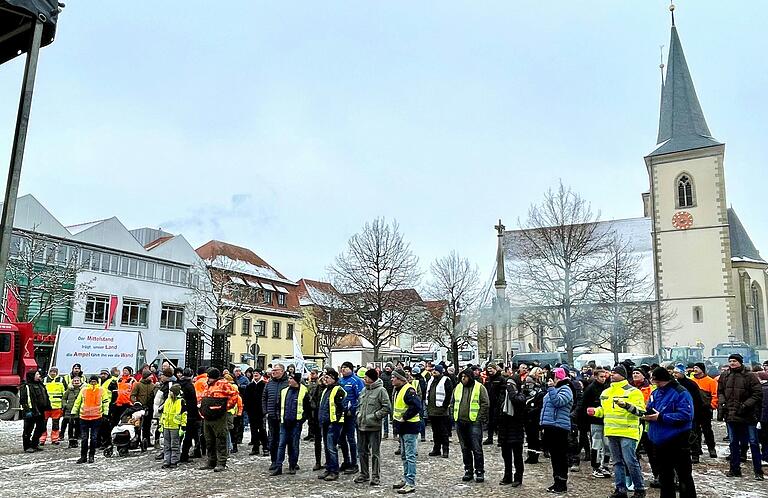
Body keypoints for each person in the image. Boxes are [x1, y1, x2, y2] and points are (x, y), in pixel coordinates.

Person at [587, 364, 646, 498]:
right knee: (617, 462)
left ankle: (639, 489)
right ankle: (620, 489)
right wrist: (596, 411)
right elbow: (605, 411)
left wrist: (626, 406)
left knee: (630, 461)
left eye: (615, 373)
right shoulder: (606, 392)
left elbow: (641, 412)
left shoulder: (633, 392)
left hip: (628, 432)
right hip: (611, 431)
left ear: (623, 375)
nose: (612, 375)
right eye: (611, 373)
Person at [642, 366, 696, 498]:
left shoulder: (680, 392)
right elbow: (650, 407)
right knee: (665, 475)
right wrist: (645, 414)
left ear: (664, 380)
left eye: (657, 382)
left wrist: (661, 417)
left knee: (683, 474)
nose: (655, 384)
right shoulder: (656, 393)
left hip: (677, 438)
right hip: (659, 439)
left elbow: (686, 416)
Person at [717, 353, 764, 479]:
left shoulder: (750, 376)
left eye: (735, 361)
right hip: (731, 414)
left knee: (753, 443)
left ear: (740, 362)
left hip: (748, 415)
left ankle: (758, 471)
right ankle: (734, 469)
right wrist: (722, 402)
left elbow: (757, 394)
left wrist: (745, 405)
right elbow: (720, 391)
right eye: (730, 361)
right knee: (733, 443)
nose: (732, 363)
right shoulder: (725, 375)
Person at [452, 367, 490, 483]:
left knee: (477, 448)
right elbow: (453, 402)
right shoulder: (458, 387)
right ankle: (468, 470)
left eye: (465, 377)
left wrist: (479, 418)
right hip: (460, 422)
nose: (463, 379)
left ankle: (479, 471)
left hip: (474, 422)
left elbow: (485, 403)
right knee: (465, 448)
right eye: (462, 377)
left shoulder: (479, 387)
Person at [354, 368, 392, 486]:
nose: (364, 379)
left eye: (366, 377)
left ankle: (375, 476)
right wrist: (358, 414)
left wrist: (375, 416)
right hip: (361, 426)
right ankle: (364, 474)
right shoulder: (364, 390)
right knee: (362, 451)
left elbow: (387, 407)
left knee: (375, 453)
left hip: (374, 427)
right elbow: (359, 405)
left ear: (372, 378)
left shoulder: (381, 391)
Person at [198, 368, 240, 472]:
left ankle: (221, 462)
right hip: (207, 416)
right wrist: (201, 407)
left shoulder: (223, 384)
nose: (208, 379)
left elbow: (235, 395)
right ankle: (211, 461)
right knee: (209, 440)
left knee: (221, 438)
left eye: (210, 377)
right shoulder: (208, 384)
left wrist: (226, 407)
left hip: (218, 417)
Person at [540, 367, 574, 494]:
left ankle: (562, 483)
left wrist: (551, 389)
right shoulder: (553, 390)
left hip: (559, 427)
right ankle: (556, 482)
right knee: (554, 456)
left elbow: (558, 402)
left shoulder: (566, 389)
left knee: (560, 456)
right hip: (550, 426)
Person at [272, 373, 311, 476]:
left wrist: (302, 419)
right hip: (284, 422)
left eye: (291, 378)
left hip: (296, 422)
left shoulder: (303, 391)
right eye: (289, 378)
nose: (289, 380)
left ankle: (292, 465)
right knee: (281, 445)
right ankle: (278, 466)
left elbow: (307, 408)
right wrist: (279, 416)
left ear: (296, 381)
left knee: (294, 445)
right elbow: (278, 405)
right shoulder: (284, 391)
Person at [391, 368, 421, 495]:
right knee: (404, 455)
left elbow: (417, 406)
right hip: (403, 427)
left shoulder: (408, 390)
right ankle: (406, 478)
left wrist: (404, 417)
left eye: (394, 377)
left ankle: (410, 482)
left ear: (400, 379)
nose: (392, 379)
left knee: (410, 456)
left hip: (410, 427)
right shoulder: (398, 390)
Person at [71, 374, 108, 463]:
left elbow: (105, 402)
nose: (93, 383)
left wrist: (105, 414)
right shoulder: (83, 390)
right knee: (84, 438)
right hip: (84, 417)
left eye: (94, 381)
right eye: (92, 381)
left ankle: (91, 456)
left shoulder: (102, 390)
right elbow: (78, 401)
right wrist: (73, 412)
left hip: (96, 417)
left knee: (94, 438)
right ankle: (83, 456)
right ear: (89, 381)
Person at [318, 368, 346, 482]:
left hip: (333, 423)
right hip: (325, 422)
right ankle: (329, 468)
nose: (325, 379)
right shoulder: (326, 390)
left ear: (333, 379)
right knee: (327, 447)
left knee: (331, 448)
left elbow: (342, 406)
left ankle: (334, 471)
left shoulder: (338, 390)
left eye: (328, 377)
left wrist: (335, 420)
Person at [497, 376, 526, 486]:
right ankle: (507, 475)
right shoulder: (503, 396)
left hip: (516, 430)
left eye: (511, 385)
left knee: (517, 456)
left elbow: (517, 401)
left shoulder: (521, 395)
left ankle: (518, 477)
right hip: (505, 429)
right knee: (506, 455)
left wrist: (511, 391)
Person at [583, 367, 612, 479]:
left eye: (605, 376)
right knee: (596, 444)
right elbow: (585, 404)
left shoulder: (607, 387)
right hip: (595, 420)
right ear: (595, 377)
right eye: (601, 377)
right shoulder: (590, 389)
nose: (603, 379)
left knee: (607, 444)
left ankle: (605, 465)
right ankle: (595, 467)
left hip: (606, 420)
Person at [338, 361, 364, 473]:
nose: (343, 369)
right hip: (340, 414)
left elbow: (360, 397)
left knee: (351, 438)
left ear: (351, 369)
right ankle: (346, 461)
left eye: (346, 368)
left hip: (350, 414)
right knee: (341, 438)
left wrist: (353, 409)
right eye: (342, 367)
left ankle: (354, 463)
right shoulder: (340, 381)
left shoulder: (356, 380)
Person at [263, 363, 289, 471]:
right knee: (273, 440)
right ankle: (274, 461)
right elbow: (264, 398)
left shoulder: (288, 383)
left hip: (284, 416)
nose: (273, 372)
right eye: (273, 370)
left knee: (283, 440)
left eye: (276, 370)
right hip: (272, 416)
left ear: (282, 371)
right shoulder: (269, 383)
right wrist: (265, 412)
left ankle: (287, 462)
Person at [690, 362, 718, 459]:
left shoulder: (710, 381)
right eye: (694, 367)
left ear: (702, 369)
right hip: (694, 409)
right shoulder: (691, 381)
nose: (695, 369)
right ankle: (697, 449)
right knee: (695, 430)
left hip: (705, 409)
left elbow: (715, 395)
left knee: (707, 430)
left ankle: (711, 448)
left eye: (697, 367)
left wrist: (712, 406)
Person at [426, 364, 453, 458]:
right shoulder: (431, 380)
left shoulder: (446, 380)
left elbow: (449, 394)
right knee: (435, 431)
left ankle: (445, 450)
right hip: (432, 410)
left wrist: (445, 406)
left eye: (436, 371)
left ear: (440, 372)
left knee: (443, 432)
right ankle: (436, 449)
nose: (434, 372)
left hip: (442, 411)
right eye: (433, 371)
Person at [20, 370, 50, 453]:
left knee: (41, 427)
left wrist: (47, 406)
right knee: (28, 429)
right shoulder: (26, 386)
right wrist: (27, 410)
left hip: (40, 411)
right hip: (30, 411)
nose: (39, 375)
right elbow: (24, 400)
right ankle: (27, 446)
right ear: (32, 376)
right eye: (37, 374)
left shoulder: (40, 384)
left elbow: (45, 396)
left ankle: (34, 444)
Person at [160, 384, 187, 469]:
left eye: (171, 392)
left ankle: (174, 461)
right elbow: (164, 414)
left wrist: (183, 427)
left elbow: (184, 415)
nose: (169, 393)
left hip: (175, 426)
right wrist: (161, 424)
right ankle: (166, 461)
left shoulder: (181, 401)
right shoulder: (167, 401)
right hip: (166, 426)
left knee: (174, 445)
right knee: (166, 445)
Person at [523, 367, 546, 464]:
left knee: (535, 435)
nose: (540, 375)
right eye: (539, 373)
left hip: (536, 411)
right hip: (531, 411)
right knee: (532, 435)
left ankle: (534, 455)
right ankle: (532, 455)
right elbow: (529, 395)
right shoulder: (530, 381)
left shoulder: (540, 383)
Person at [178, 368, 201, 462]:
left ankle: (175, 455)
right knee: (188, 435)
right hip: (190, 414)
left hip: (179, 412)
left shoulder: (178, 384)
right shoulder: (190, 386)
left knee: (178, 435)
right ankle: (184, 455)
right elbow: (193, 401)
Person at [40, 366, 67, 446]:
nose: (53, 373)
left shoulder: (61, 380)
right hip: (46, 406)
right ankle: (42, 439)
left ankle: (55, 439)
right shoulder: (44, 380)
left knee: (55, 424)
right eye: (51, 371)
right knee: (43, 423)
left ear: (57, 373)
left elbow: (65, 393)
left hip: (57, 406)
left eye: (54, 372)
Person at [244, 369, 269, 456]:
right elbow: (246, 399)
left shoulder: (264, 385)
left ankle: (266, 447)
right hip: (252, 412)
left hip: (261, 411)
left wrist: (265, 410)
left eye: (257, 373)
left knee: (262, 430)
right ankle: (255, 447)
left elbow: (266, 398)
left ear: (260, 374)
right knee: (253, 430)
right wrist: (247, 409)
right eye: (254, 373)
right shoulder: (250, 386)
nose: (255, 375)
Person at [130, 370, 156, 450]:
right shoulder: (138, 384)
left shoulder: (153, 385)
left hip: (149, 408)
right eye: (149, 376)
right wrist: (136, 403)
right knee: (138, 425)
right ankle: (136, 441)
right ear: (145, 376)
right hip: (139, 408)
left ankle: (147, 441)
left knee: (147, 425)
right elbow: (132, 395)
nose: (151, 377)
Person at [483, 364, 504, 445]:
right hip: (489, 403)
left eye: (491, 369)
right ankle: (490, 438)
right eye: (488, 369)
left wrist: (500, 402)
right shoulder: (488, 379)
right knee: (490, 422)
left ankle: (500, 439)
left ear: (495, 369)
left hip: (497, 404)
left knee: (498, 422)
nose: (489, 371)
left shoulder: (501, 379)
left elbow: (502, 392)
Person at [61, 375, 83, 448]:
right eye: (75, 381)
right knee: (70, 427)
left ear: (80, 382)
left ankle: (76, 440)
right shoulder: (69, 390)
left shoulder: (83, 390)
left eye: (78, 381)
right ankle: (70, 441)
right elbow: (64, 398)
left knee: (77, 426)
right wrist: (65, 405)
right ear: (72, 382)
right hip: (69, 411)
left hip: (78, 411)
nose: (76, 382)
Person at [380, 364, 394, 439]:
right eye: (386, 367)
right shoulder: (382, 375)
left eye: (389, 367)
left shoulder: (394, 375)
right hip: (385, 398)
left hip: (392, 397)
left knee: (394, 416)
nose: (387, 369)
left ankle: (395, 432)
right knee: (385, 417)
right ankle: (385, 432)